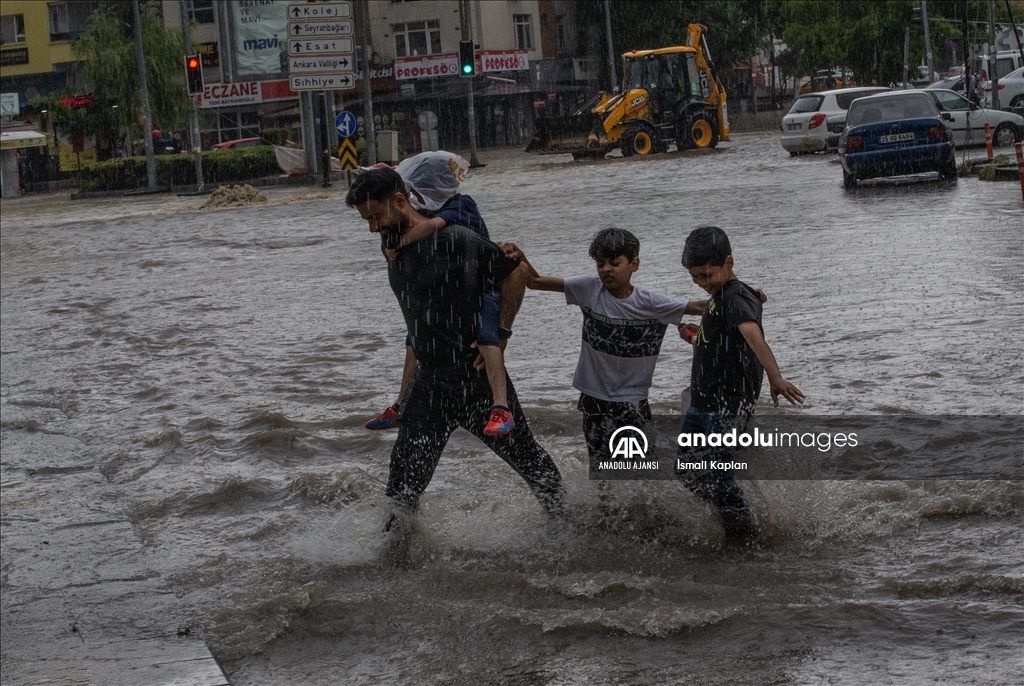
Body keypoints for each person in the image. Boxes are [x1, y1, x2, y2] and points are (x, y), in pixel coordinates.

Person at [345, 168, 567, 529]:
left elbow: (514, 270)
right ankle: (394, 556)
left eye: (376, 217)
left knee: (529, 460)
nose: (372, 228)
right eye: (366, 221)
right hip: (429, 385)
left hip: (474, 378)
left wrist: (500, 334)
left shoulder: (455, 239)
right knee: (401, 488)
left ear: (400, 201)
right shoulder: (392, 247)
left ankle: (568, 531)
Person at [502, 228, 705, 473]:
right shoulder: (588, 289)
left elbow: (698, 307)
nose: (606, 269)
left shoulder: (651, 303)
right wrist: (520, 256)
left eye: (614, 263)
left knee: (641, 471)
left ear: (634, 264)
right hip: (594, 400)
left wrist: (736, 298)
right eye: (600, 263)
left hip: (632, 402)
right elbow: (535, 282)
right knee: (601, 470)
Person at [364, 153, 514, 436]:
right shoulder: (428, 211)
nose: (417, 198)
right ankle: (399, 405)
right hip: (439, 355)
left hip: (485, 288)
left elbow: (433, 227)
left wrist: (399, 244)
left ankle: (501, 406)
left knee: (486, 338)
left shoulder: (459, 207)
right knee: (413, 340)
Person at [678, 226, 804, 543]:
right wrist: (697, 337)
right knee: (686, 470)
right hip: (703, 402)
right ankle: (736, 512)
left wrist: (775, 376)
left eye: (707, 275)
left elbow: (752, 336)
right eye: (695, 277)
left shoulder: (735, 298)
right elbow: (726, 342)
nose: (702, 283)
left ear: (729, 262)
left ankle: (743, 537)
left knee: (718, 474)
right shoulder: (726, 296)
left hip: (727, 406)